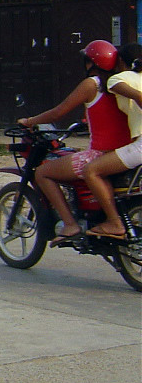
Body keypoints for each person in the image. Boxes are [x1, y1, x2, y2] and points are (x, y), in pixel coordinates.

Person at [17, 40, 132, 243]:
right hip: (124, 152)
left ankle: (70, 224)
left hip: (100, 154)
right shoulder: (121, 82)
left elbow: (59, 112)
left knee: (43, 172)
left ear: (91, 63)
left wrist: (30, 121)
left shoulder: (92, 84)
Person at [80, 44, 142, 239]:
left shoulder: (119, 77)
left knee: (91, 170)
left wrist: (139, 97)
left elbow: (117, 86)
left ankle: (114, 223)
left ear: (121, 62)